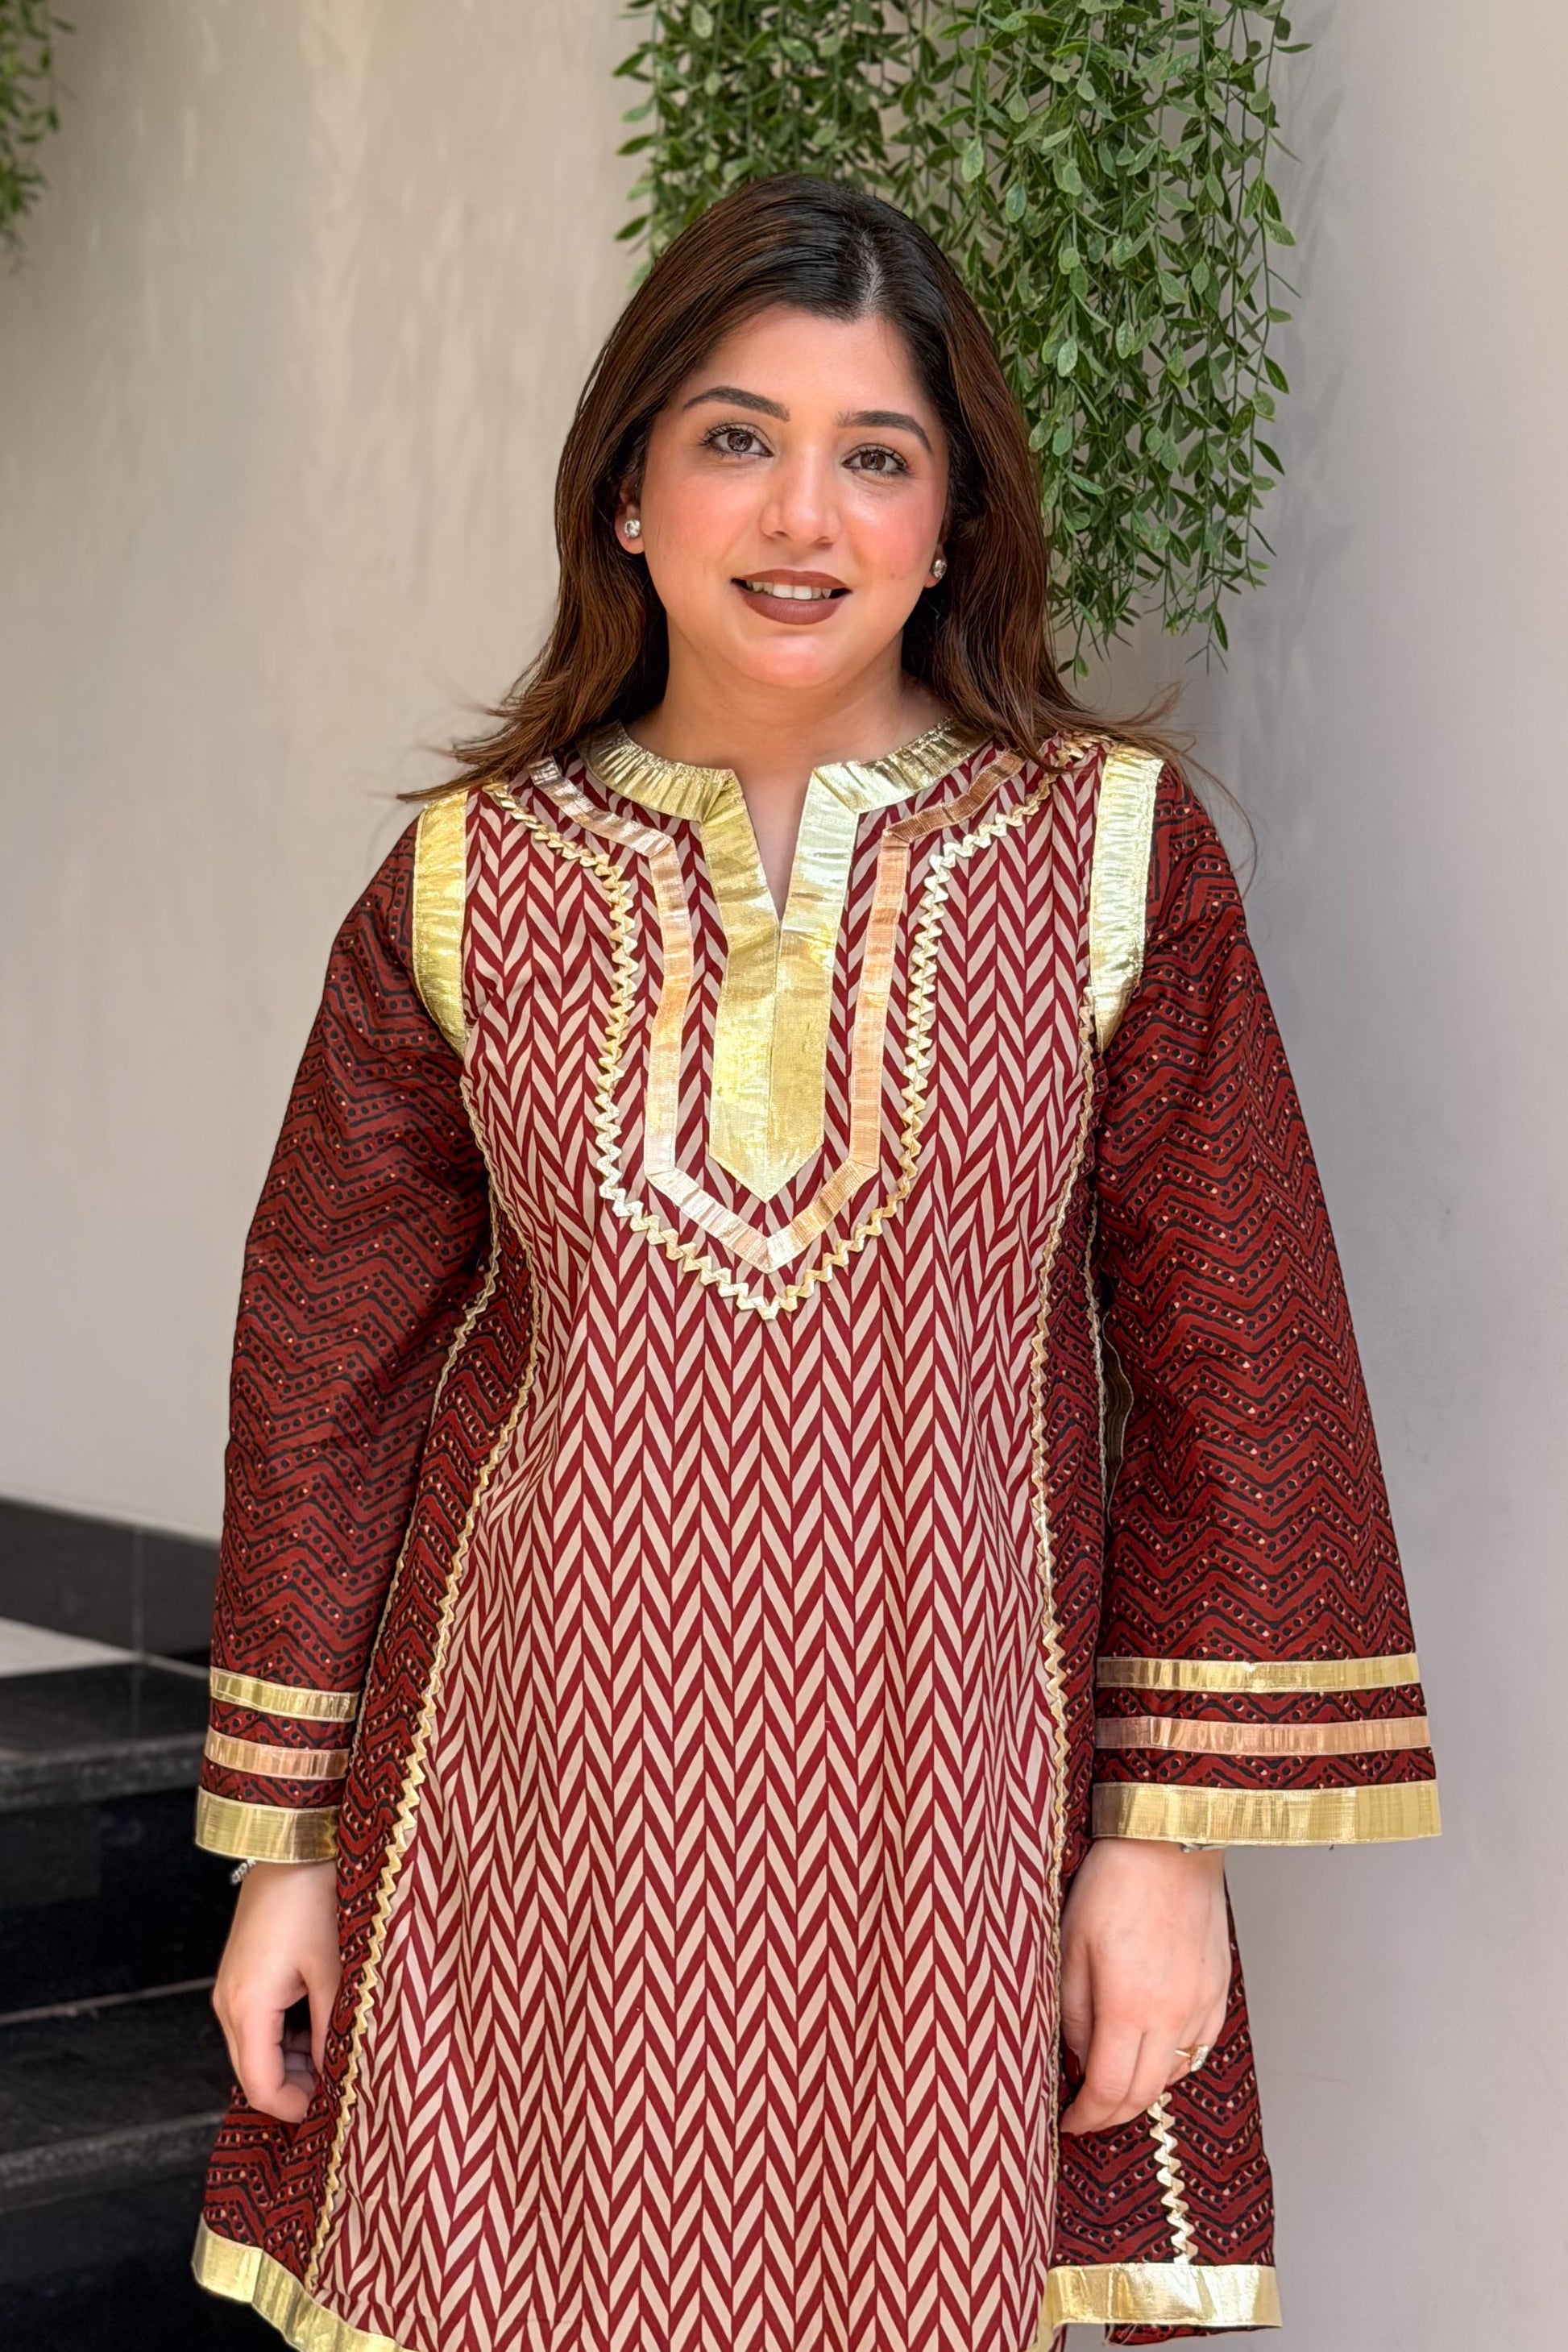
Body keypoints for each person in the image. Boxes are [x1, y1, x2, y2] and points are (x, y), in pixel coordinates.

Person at [189, 172, 1437, 2352]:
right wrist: (287, 1852)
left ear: (950, 526)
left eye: (876, 455)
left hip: (945, 1820)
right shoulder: (464, 884)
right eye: (736, 438)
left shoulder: (1110, 859)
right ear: (628, 495)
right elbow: (325, 1375)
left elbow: (1238, 1350)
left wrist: (1164, 1850)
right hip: (527, 1814)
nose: (802, 513)